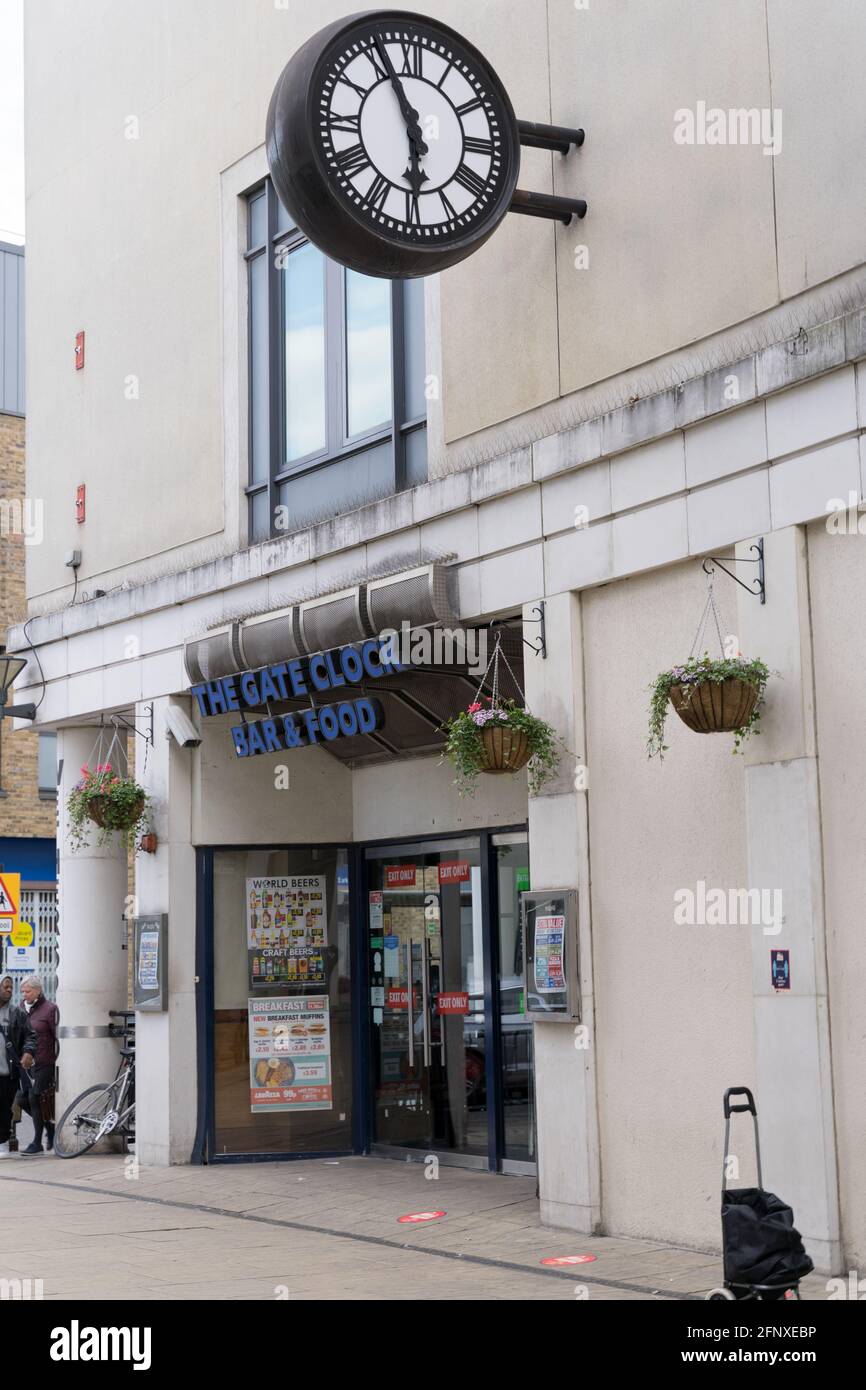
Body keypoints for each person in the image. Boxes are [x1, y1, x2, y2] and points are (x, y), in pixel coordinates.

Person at [19, 975, 59, 1154]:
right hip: (27, 1064)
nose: (24, 995)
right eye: (22, 991)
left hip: (45, 1062)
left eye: (27, 991)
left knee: (35, 1097)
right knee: (21, 1098)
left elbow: (57, 1037)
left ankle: (36, 1143)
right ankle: (49, 1128)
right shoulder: (21, 1009)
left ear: (38, 990)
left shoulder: (50, 1009)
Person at [0, 976, 37, 1158]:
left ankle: (3, 1142)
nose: (9, 990)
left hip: (8, 1071)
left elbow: (31, 1036)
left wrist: (28, 1052)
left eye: (10, 987)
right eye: (5, 987)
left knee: (5, 1108)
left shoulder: (17, 1013)